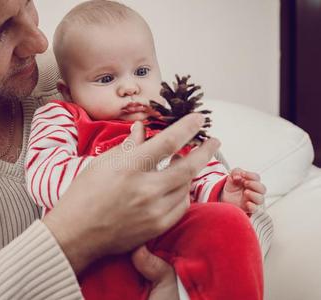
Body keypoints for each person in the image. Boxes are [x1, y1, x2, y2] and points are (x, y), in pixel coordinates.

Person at [0, 0, 261, 299]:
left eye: (27, 3)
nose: (39, 43)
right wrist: (72, 239)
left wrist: (171, 284)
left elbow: (240, 217)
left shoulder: (84, 71)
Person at [25, 1, 266, 299]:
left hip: (172, 229)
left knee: (229, 225)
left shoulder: (167, 121)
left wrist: (223, 192)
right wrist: (115, 173)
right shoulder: (64, 116)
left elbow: (200, 168)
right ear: (69, 91)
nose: (130, 87)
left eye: (141, 71)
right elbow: (43, 177)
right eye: (106, 78)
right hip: (100, 238)